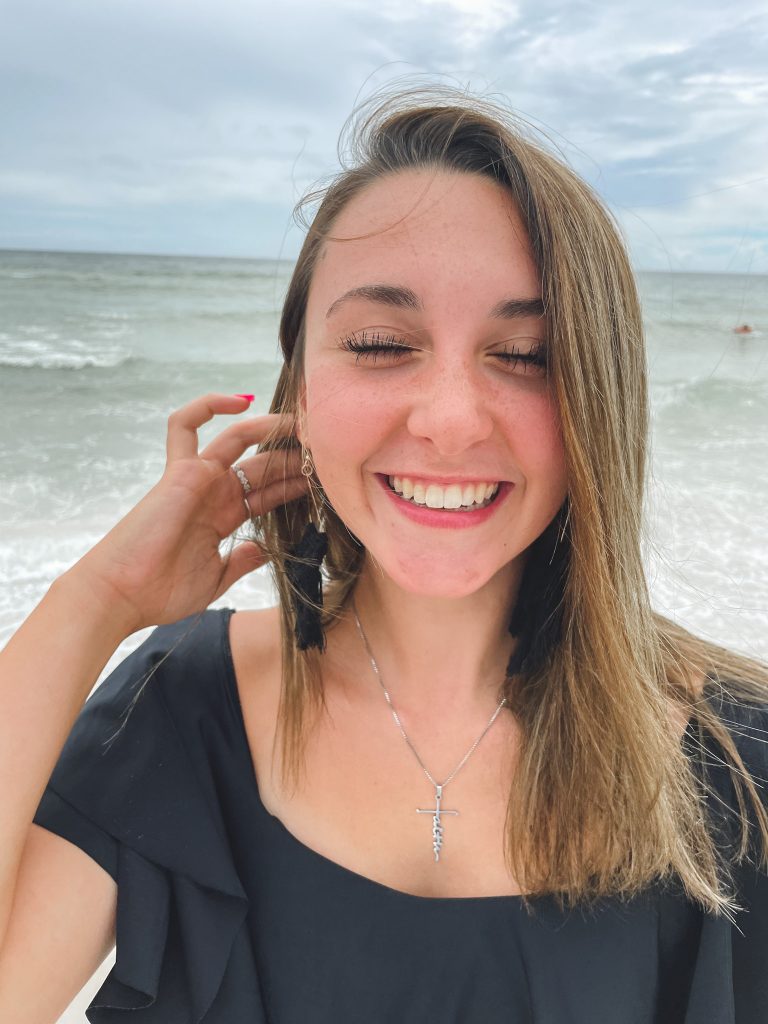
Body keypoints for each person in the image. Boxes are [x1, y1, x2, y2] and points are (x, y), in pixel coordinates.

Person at [1, 83, 768, 1023]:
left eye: (526, 354)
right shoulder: (179, 712)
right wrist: (97, 600)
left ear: (598, 398)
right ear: (301, 385)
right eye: (378, 343)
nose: (450, 420)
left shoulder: (740, 760)